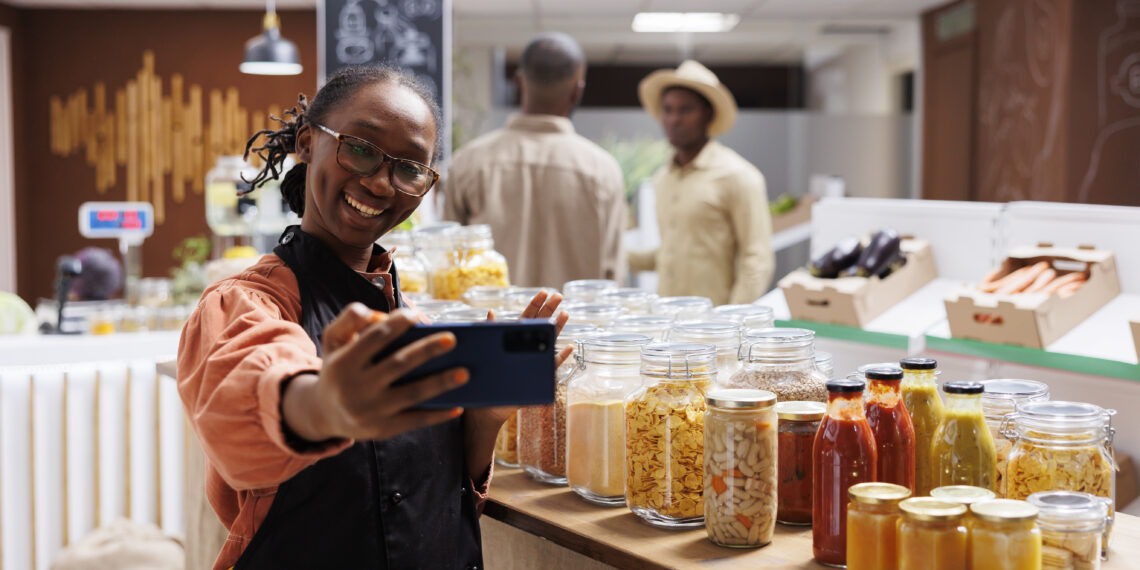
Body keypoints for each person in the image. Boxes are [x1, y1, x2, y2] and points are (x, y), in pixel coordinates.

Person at [177, 65, 569, 569]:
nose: (382, 183)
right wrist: (322, 405)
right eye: (360, 148)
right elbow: (242, 398)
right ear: (307, 142)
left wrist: (486, 418)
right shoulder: (248, 303)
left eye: (410, 169)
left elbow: (438, 496)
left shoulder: (418, 326)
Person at [444, 32, 627, 288]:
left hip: (490, 326)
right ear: (577, 90)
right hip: (574, 327)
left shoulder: (468, 162)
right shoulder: (603, 170)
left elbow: (448, 263)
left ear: (519, 82)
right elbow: (612, 273)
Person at [628, 60, 774, 305]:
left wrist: (730, 323)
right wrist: (616, 256)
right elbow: (671, 253)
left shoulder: (738, 176)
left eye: (686, 110)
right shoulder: (663, 178)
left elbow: (757, 260)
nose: (674, 119)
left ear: (708, 114)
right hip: (665, 323)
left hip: (712, 329)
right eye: (667, 109)